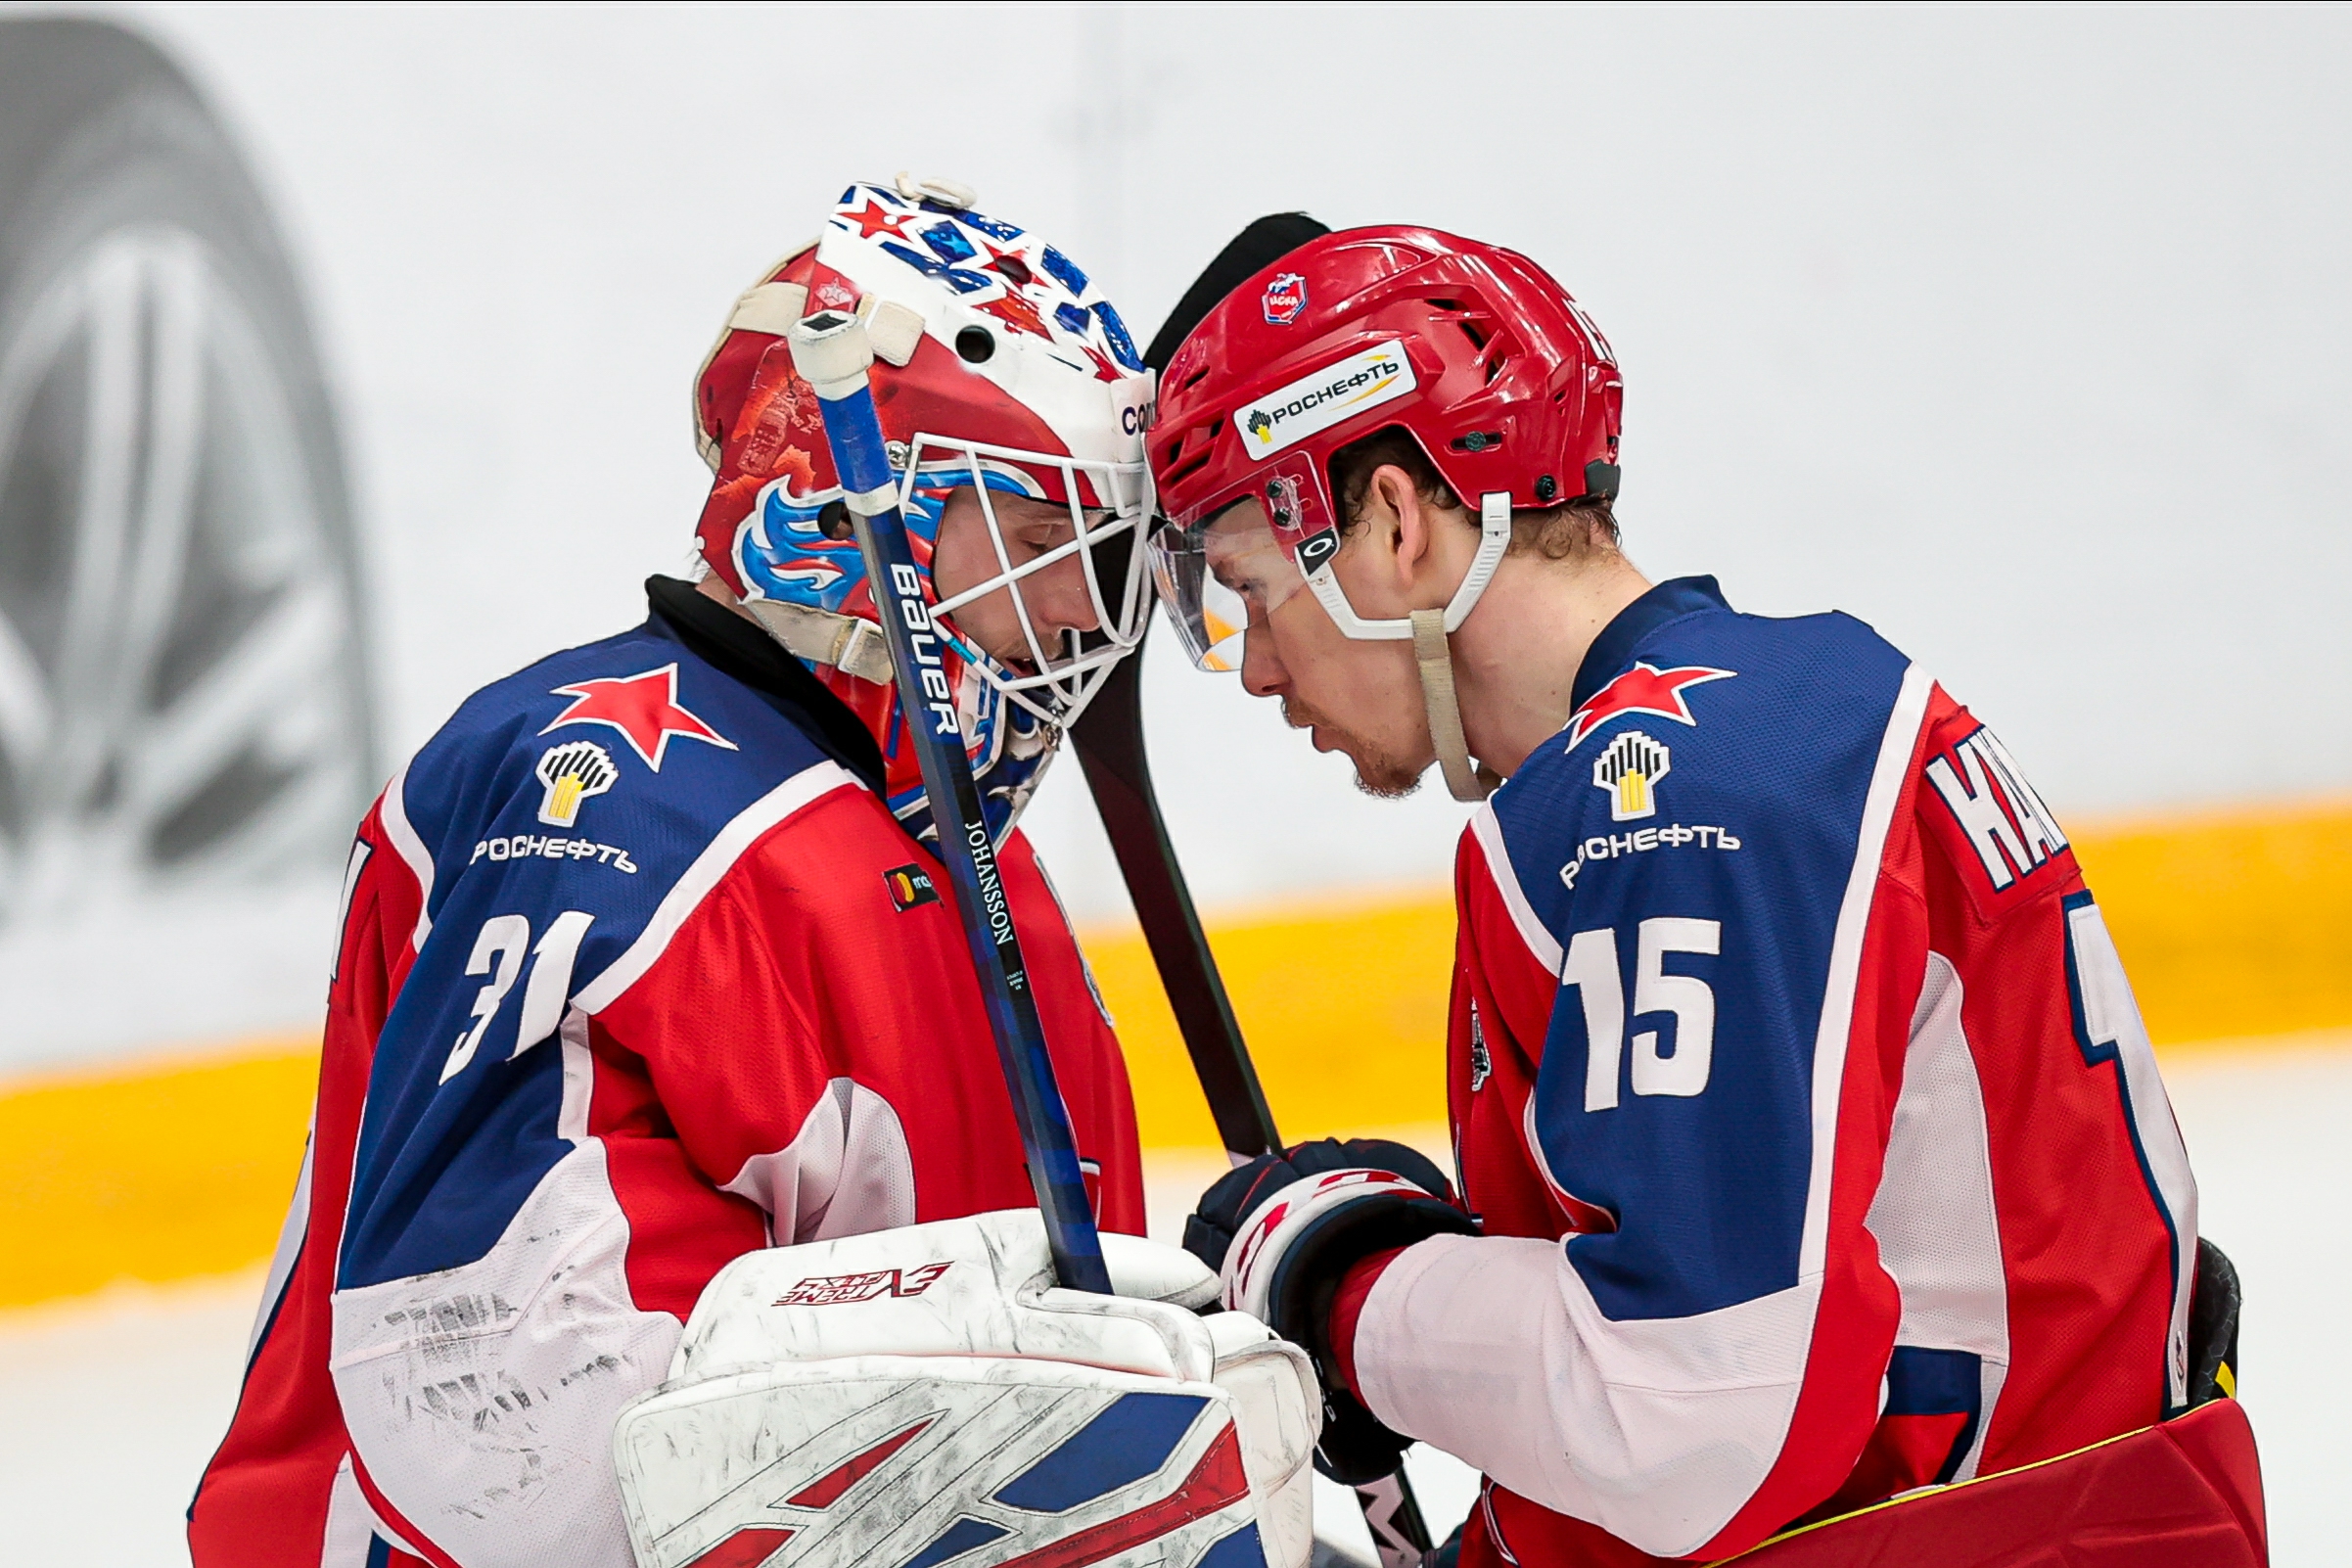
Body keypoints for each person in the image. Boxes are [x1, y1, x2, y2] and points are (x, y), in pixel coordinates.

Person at [1149, 222, 2260, 1564]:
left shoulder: (1667, 791)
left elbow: (1690, 1417)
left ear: (1392, 522)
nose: (1257, 669)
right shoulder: (1790, 716)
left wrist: (1348, 1285)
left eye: (1247, 593)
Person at [189, 176, 1166, 1568]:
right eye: (1026, 542)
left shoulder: (963, 841)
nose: (1081, 608)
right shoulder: (595, 790)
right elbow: (503, 1420)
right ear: (838, 508)